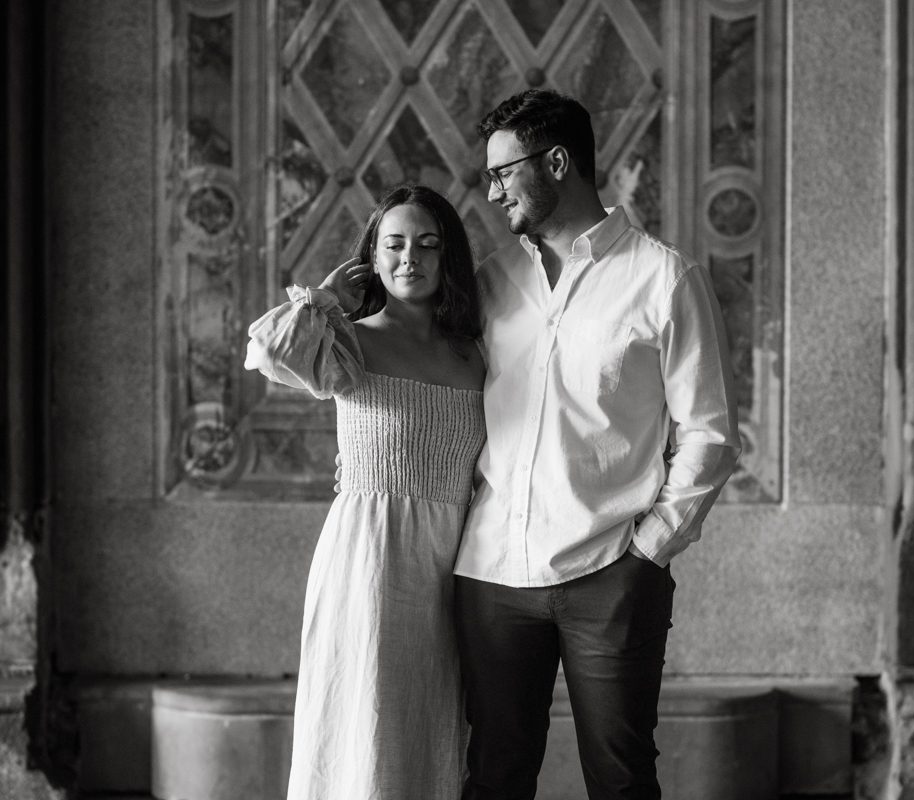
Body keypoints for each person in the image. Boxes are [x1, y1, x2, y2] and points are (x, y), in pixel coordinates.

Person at [453, 89, 741, 799]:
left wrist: (647, 552)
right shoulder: (492, 281)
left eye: (503, 172)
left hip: (610, 574)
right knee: (493, 775)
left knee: (619, 776)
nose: (492, 193)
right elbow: (428, 382)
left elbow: (710, 433)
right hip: (492, 574)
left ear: (557, 162)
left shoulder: (663, 278)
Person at [243, 184, 485, 799]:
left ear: (448, 257)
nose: (411, 259)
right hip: (369, 560)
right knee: (364, 722)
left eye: (428, 245)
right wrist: (325, 300)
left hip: (455, 561)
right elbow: (269, 351)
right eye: (395, 245)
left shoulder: (474, 354)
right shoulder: (351, 341)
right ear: (372, 259)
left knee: (430, 723)